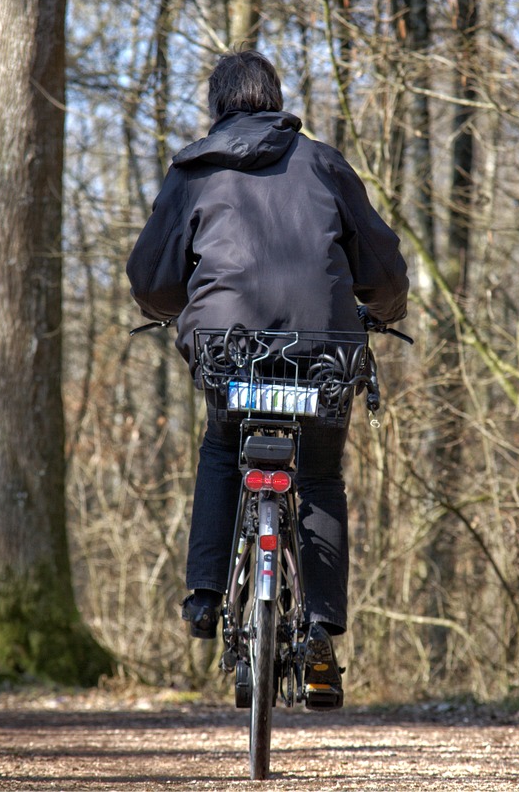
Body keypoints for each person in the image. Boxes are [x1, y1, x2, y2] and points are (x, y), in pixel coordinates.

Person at [126, 50, 409, 709]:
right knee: (316, 478)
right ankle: (318, 629)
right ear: (277, 100)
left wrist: (172, 311)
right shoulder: (323, 163)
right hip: (326, 347)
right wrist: (384, 312)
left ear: (217, 106)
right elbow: (383, 267)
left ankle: (203, 596)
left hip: (229, 347)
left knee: (224, 449)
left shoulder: (194, 171)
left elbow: (151, 278)